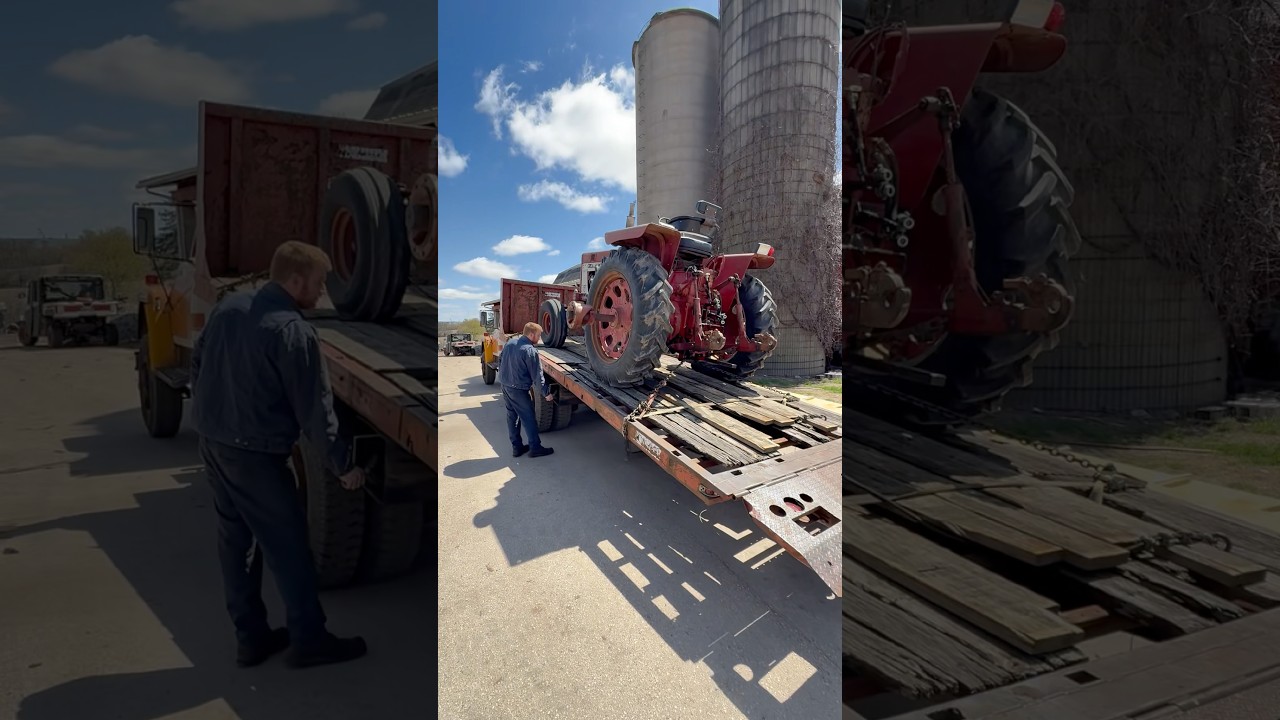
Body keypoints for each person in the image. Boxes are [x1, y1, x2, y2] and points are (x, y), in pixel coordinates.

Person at [190, 240, 367, 669]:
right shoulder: (293, 332)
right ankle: (309, 639)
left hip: (214, 443)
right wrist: (343, 465)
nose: (322, 292)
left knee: (237, 544)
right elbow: (315, 412)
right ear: (295, 280)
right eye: (319, 282)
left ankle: (251, 639)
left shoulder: (228, 309)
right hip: (256, 457)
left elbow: (198, 365)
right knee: (288, 548)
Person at [497, 322, 555, 458]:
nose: (539, 338)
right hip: (518, 389)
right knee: (528, 418)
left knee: (512, 416)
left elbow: (500, 361)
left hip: (505, 385)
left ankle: (517, 448)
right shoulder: (530, 350)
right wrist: (546, 393)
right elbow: (537, 376)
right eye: (538, 335)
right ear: (531, 334)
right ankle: (535, 448)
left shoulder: (510, 343)